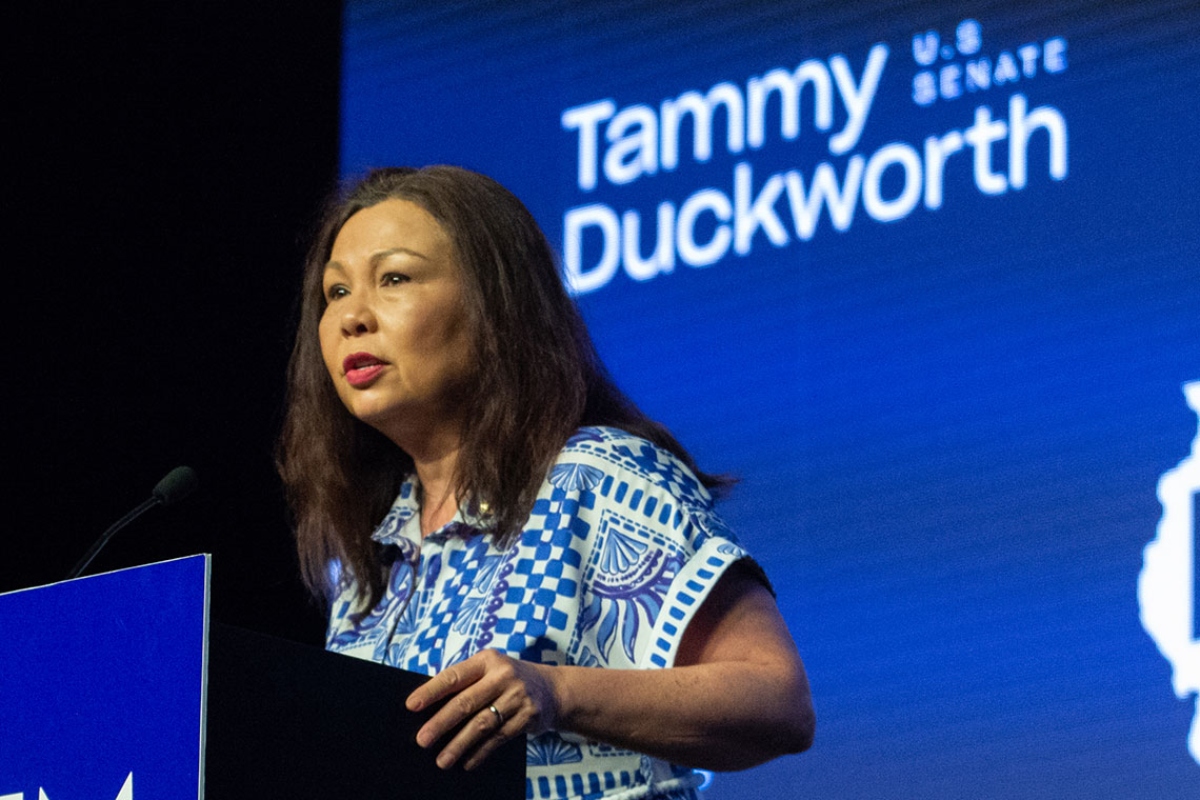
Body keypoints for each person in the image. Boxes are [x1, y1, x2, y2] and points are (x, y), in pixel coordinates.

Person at [277, 166, 814, 799]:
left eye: (394, 278)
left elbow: (777, 697)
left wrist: (555, 691)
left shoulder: (595, 477)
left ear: (495, 305)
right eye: (335, 291)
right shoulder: (372, 564)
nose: (351, 317)